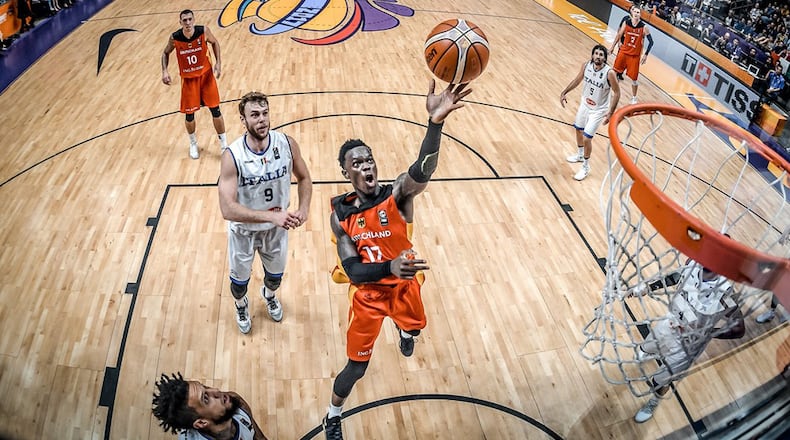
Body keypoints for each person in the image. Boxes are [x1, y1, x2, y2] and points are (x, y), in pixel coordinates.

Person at [322, 80, 472, 440]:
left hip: (404, 288)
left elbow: (423, 169)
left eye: (369, 159)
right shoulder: (340, 216)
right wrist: (388, 267)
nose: (366, 165)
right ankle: (332, 415)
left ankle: (406, 331)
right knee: (356, 368)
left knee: (415, 329)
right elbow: (354, 271)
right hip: (370, 296)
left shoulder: (399, 194)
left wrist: (435, 124)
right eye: (357, 163)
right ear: (346, 173)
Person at [218, 91, 312, 333]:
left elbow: (304, 177)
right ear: (243, 120)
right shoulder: (232, 156)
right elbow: (227, 209)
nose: (262, 120)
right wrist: (271, 215)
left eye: (265, 113)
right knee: (239, 284)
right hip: (244, 232)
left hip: (275, 230)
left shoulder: (287, 144)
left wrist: (303, 208)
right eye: (255, 115)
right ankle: (241, 304)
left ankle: (268, 295)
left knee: (275, 278)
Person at [630, 260, 745, 423]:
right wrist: (648, 288)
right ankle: (650, 352)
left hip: (689, 344)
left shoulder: (727, 293)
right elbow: (675, 277)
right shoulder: (692, 264)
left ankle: (653, 402)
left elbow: (739, 330)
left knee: (660, 380)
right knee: (646, 348)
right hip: (670, 323)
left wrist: (709, 333)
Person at [162, 9, 228, 159]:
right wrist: (164, 71)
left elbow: (215, 43)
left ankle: (224, 144)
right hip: (189, 80)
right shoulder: (175, 37)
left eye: (190, 19)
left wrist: (218, 63)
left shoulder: (203, 31)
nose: (187, 23)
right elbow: (165, 53)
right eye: (184, 20)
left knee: (216, 111)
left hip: (206, 78)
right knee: (189, 115)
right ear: (180, 22)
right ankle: (193, 143)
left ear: (194, 20)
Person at [560, 44, 621, 181]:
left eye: (601, 55)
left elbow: (617, 93)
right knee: (578, 129)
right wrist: (564, 92)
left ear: (605, 58)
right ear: (592, 55)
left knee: (587, 138)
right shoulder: (586, 65)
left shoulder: (609, 73)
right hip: (585, 104)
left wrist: (610, 112)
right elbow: (577, 80)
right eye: (596, 54)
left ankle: (586, 167)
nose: (598, 57)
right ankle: (580, 155)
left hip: (598, 110)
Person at [152, 372, 267, 440]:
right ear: (201, 423)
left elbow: (259, 437)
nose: (216, 390)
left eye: (206, 387)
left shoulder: (235, 401)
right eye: (206, 398)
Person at [611, 4, 655, 104]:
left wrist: (646, 55)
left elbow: (651, 42)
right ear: (632, 12)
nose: (636, 13)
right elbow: (619, 34)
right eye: (635, 11)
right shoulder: (626, 23)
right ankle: (610, 89)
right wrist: (613, 46)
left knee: (634, 79)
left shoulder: (644, 27)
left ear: (640, 15)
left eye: (638, 12)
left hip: (634, 56)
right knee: (614, 72)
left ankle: (634, 97)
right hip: (624, 51)